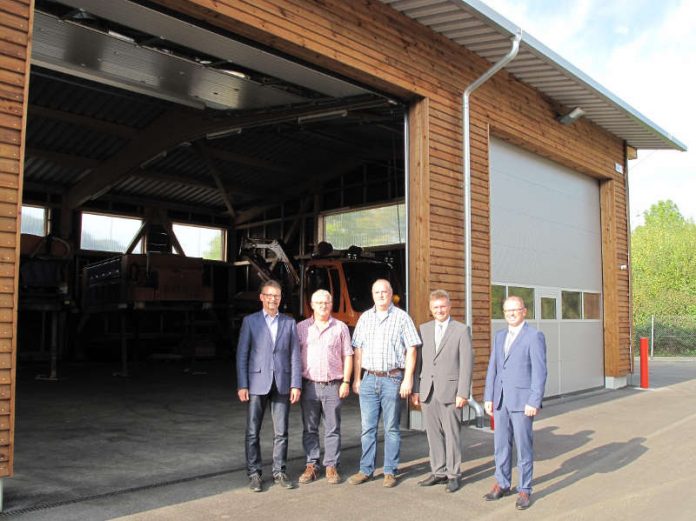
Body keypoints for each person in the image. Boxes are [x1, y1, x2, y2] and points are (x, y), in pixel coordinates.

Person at [348, 279, 421, 488]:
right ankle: (366, 470)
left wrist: (408, 378)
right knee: (367, 428)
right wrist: (356, 378)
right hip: (369, 379)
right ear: (372, 295)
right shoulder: (364, 318)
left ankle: (390, 471)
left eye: (384, 291)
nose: (381, 295)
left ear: (391, 294)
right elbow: (358, 350)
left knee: (391, 428)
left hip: (392, 379)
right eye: (377, 292)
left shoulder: (402, 317)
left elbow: (412, 349)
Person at [236, 280, 302, 492]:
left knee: (281, 431)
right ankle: (254, 473)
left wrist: (295, 384)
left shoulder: (288, 322)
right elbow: (242, 354)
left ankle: (279, 471)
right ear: (261, 297)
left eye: (277, 296)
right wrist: (242, 384)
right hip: (256, 383)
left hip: (282, 382)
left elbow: (294, 355)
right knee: (253, 431)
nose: (273, 299)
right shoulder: (250, 322)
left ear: (281, 299)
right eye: (269, 295)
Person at [483, 295, 547, 510]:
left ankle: (525, 489)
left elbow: (540, 372)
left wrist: (534, 400)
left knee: (523, 447)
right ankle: (502, 483)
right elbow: (493, 368)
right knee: (500, 445)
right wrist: (488, 397)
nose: (511, 313)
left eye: (515, 309)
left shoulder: (534, 336)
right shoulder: (499, 336)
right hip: (500, 400)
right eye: (507, 310)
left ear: (524, 311)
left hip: (522, 402)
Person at [412, 289, 473, 493]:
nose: (440, 310)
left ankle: (453, 474)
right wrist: (416, 389)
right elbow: (419, 362)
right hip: (427, 391)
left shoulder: (461, 330)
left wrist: (463, 392)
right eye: (436, 307)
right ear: (431, 309)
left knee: (452, 434)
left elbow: (466, 364)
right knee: (433, 435)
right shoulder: (424, 329)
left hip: (451, 391)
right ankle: (438, 472)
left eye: (443, 306)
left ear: (449, 307)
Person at [296, 289, 354, 485]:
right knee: (310, 428)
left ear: (331, 304)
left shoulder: (340, 328)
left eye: (326, 302)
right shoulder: (301, 328)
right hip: (309, 386)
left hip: (333, 386)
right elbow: (294, 358)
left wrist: (346, 381)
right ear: (311, 305)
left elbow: (348, 355)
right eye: (319, 302)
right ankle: (312, 464)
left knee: (333, 428)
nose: (323, 305)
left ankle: (331, 465)